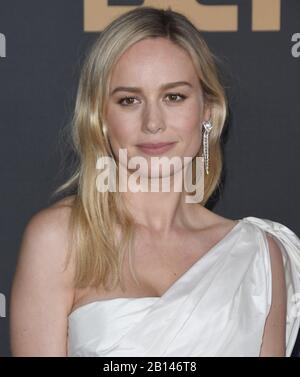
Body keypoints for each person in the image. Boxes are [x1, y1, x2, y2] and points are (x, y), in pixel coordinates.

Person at [10, 6, 300, 357]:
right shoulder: (60, 240)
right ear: (101, 118)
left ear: (207, 111)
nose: (152, 123)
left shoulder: (258, 257)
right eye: (129, 100)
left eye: (174, 97)